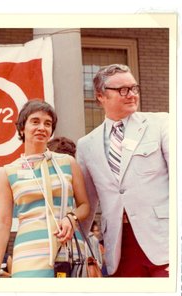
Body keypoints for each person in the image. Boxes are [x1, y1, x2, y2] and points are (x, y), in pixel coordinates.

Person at [0, 99, 89, 277]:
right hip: (28, 253)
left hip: (67, 251)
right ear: (22, 128)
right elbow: (4, 221)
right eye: (35, 121)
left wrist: (71, 218)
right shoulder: (9, 171)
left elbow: (84, 205)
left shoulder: (68, 163)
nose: (42, 128)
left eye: (48, 123)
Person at [76, 64, 169, 277]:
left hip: (164, 243)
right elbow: (87, 205)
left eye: (134, 88)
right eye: (122, 90)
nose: (131, 95)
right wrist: (78, 247)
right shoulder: (86, 145)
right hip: (119, 249)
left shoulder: (161, 123)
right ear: (101, 96)